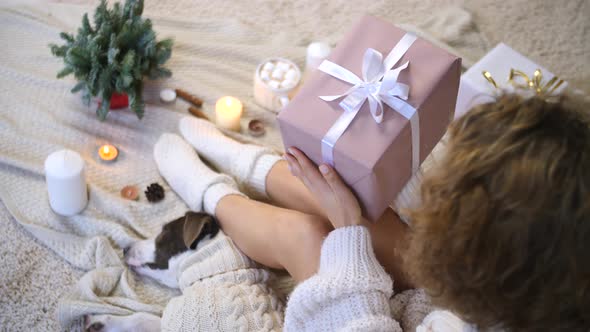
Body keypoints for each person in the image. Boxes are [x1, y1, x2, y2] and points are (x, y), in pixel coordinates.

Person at [153, 93, 589, 331]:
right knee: (351, 204)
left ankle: (212, 195)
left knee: (309, 236)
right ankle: (247, 161)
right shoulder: (559, 266)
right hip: (459, 308)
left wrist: (346, 230)